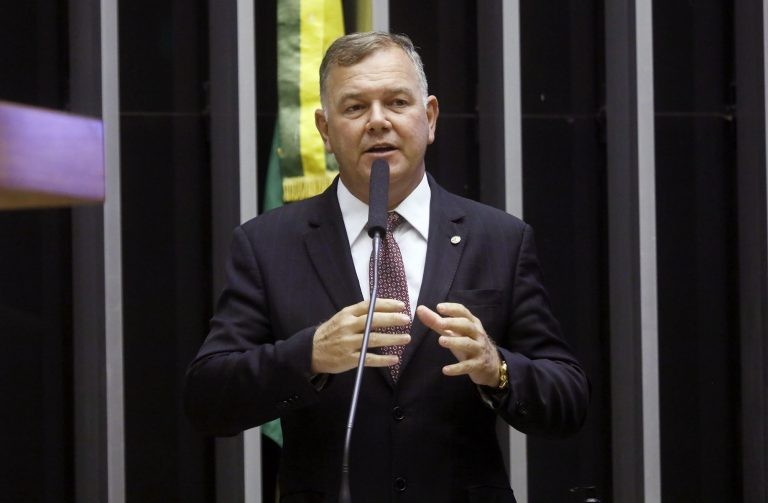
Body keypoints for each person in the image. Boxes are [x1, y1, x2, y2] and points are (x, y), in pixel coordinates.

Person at [184, 31, 589, 503]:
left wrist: (496, 367)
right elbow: (207, 399)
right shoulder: (268, 244)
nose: (378, 121)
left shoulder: (500, 239)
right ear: (325, 130)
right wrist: (309, 355)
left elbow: (568, 400)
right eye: (355, 107)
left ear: (429, 117)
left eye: (397, 102)